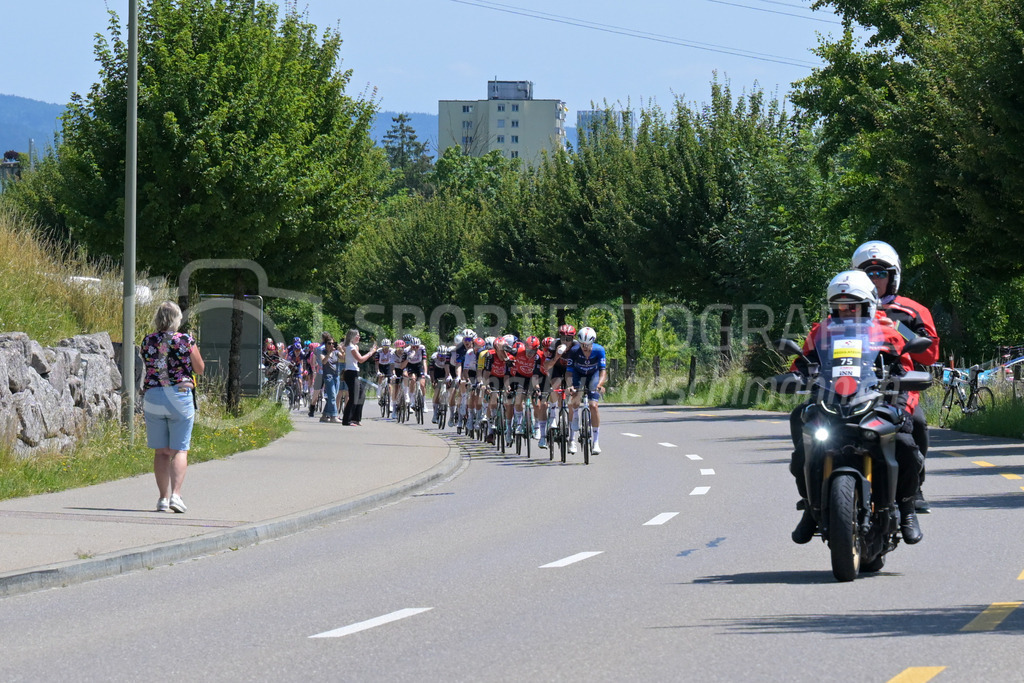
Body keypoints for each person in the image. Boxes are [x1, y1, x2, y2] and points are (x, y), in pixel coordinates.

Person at [787, 270, 924, 545]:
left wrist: (901, 383)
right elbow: (801, 365)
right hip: (830, 401)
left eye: (854, 306)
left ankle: (907, 509)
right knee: (801, 436)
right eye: (841, 306)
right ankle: (811, 508)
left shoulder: (888, 330)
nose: (847, 312)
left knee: (908, 445)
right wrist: (797, 376)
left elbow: (905, 368)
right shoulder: (820, 331)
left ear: (869, 304)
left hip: (878, 400)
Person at [852, 240, 940, 513]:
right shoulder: (845, 307)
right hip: (851, 386)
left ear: (893, 277)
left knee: (916, 422)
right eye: (869, 273)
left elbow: (930, 355)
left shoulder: (913, 311)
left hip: (896, 385)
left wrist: (898, 327)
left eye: (881, 273)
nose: (875, 279)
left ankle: (914, 487)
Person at [141, 301, 205, 513]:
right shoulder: (186, 340)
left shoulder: (148, 340)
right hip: (179, 394)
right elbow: (200, 368)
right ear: (177, 318)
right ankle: (176, 496)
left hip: (154, 395)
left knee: (161, 452)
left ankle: (162, 498)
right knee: (179, 449)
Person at [563, 326, 608, 454]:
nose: (584, 347)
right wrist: (570, 385)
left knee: (593, 406)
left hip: (593, 375)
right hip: (578, 375)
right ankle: (572, 439)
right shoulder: (574, 351)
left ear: (592, 342)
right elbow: (569, 372)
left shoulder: (599, 350)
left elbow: (602, 371)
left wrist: (599, 385)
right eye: (582, 344)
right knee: (575, 401)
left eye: (587, 345)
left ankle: (596, 442)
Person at [341, 329, 378, 426]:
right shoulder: (351, 348)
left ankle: (355, 418)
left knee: (361, 395)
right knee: (354, 397)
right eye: (357, 335)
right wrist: (371, 352)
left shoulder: (353, 347)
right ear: (353, 336)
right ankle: (347, 420)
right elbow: (361, 360)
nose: (359, 337)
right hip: (351, 373)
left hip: (354, 372)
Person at [319, 333, 341, 423]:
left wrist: (341, 349)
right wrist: (329, 353)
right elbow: (324, 362)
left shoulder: (336, 352)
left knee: (333, 396)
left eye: (333, 343)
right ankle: (333, 416)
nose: (331, 345)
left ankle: (324, 416)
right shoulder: (322, 352)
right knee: (332, 396)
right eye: (329, 343)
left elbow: (344, 357)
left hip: (336, 376)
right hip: (328, 376)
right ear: (325, 344)